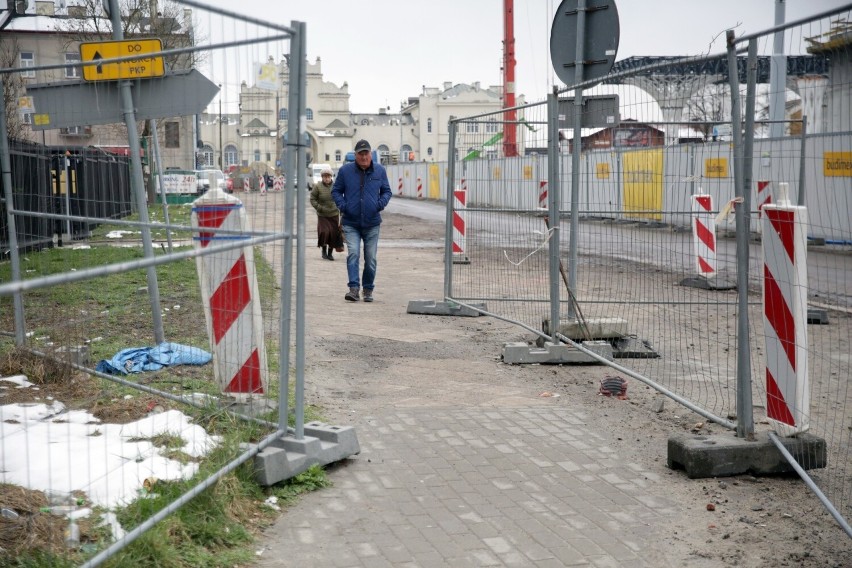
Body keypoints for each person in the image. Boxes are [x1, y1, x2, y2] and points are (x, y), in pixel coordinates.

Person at [332, 139, 392, 302]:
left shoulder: (379, 171)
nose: (364, 157)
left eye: (366, 153)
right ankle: (353, 288)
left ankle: (367, 289)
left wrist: (379, 205)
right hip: (350, 222)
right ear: (356, 155)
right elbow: (336, 191)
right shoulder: (345, 171)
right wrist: (344, 206)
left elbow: (387, 191)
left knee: (371, 258)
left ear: (370, 154)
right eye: (361, 154)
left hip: (372, 223)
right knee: (353, 254)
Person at [309, 166, 342, 261]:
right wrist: (319, 207)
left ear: (331, 177)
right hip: (322, 215)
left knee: (333, 233)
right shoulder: (317, 186)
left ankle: (330, 253)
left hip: (334, 214)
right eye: (324, 176)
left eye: (328, 176)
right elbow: (312, 199)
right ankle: (324, 251)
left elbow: (340, 198)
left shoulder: (336, 186)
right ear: (322, 177)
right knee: (324, 232)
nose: (326, 178)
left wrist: (340, 207)